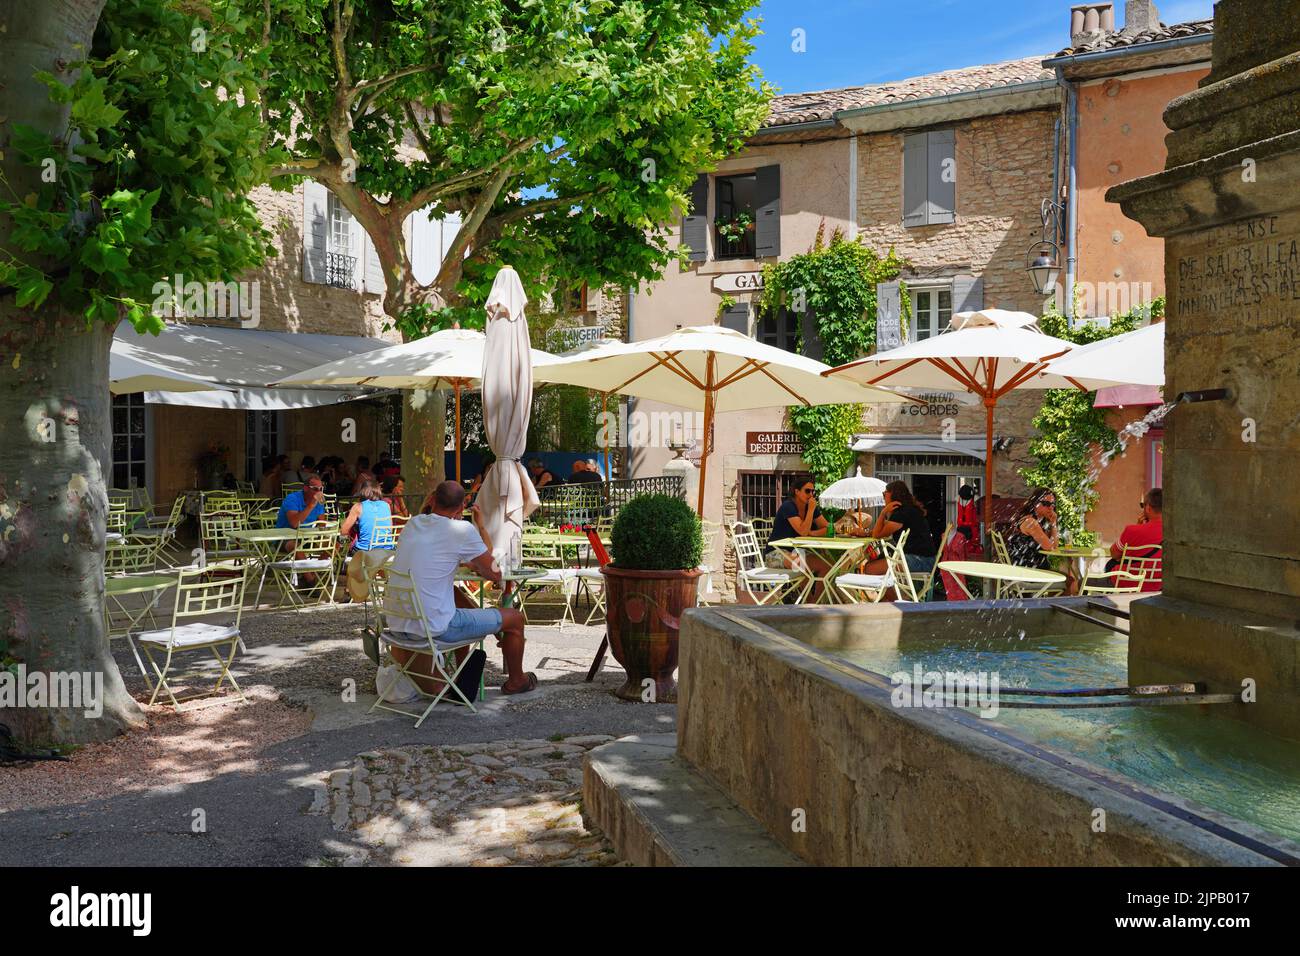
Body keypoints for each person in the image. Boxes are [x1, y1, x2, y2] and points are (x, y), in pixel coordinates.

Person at [388, 481, 537, 695]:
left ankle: (460, 673)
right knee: (514, 618)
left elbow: (437, 558)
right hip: (434, 628)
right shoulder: (461, 530)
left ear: (433, 500)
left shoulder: (413, 524)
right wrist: (482, 527)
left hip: (400, 623)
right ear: (460, 509)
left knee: (456, 596)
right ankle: (517, 681)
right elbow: (495, 573)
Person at [864, 480, 937, 579]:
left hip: (921, 561)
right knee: (878, 567)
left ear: (893, 495)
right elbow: (880, 529)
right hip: (926, 559)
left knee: (870, 568)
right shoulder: (908, 510)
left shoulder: (901, 514)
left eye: (885, 494)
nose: (883, 497)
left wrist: (883, 512)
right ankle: (898, 594)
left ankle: (897, 595)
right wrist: (865, 532)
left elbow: (876, 535)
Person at [340, 477, 394, 602]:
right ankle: (388, 583)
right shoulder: (386, 505)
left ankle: (349, 592)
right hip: (387, 549)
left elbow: (344, 530)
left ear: (363, 491)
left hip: (367, 549)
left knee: (350, 553)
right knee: (377, 558)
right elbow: (389, 528)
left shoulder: (358, 507)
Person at [1109, 487, 1163, 592]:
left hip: (1125, 583)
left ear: (1148, 508)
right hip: (1157, 585)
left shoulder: (1132, 530)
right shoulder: (1173, 533)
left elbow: (1114, 554)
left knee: (1079, 583)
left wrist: (1138, 526)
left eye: (1142, 505)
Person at [1004, 487, 1059, 570]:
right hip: (1028, 572)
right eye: (1046, 504)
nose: (1051, 508)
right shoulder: (1031, 522)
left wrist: (1053, 523)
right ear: (1035, 503)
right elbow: (1050, 548)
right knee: (1071, 581)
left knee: (1069, 579)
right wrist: (1054, 524)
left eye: (1053, 504)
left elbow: (1054, 545)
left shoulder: (1035, 520)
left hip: (1027, 569)